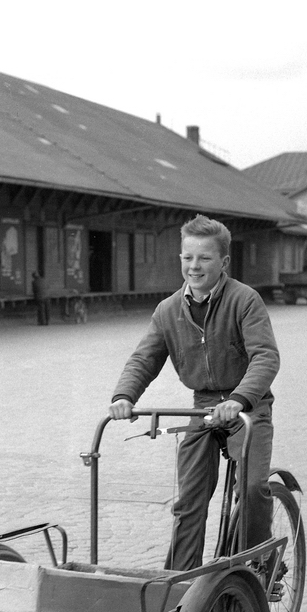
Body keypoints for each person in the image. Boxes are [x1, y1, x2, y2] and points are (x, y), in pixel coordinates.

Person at [109, 215, 280, 571]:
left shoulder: (244, 301)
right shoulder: (168, 310)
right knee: (188, 502)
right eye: (188, 257)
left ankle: (259, 563)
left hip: (249, 409)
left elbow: (265, 357)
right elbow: (145, 358)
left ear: (224, 262)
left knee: (251, 490)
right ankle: (181, 583)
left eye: (204, 258)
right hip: (201, 410)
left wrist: (239, 399)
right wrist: (124, 396)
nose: (195, 266)